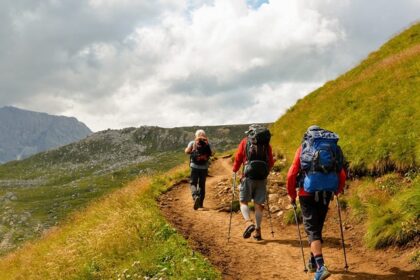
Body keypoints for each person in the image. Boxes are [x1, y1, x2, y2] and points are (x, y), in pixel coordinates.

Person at [287, 125, 346, 280]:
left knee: (312, 230)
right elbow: (341, 173)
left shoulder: (303, 148)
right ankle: (313, 262)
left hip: (307, 193)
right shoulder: (333, 148)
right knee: (317, 228)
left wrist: (292, 195)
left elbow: (292, 174)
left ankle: (320, 266)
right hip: (326, 192)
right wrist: (337, 191)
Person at [232, 124, 275, 241]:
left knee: (243, 201)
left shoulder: (245, 142)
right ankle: (257, 230)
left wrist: (235, 169)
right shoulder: (266, 145)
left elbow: (238, 157)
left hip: (247, 176)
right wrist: (265, 172)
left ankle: (248, 222)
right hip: (262, 178)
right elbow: (271, 161)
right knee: (259, 205)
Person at [185, 129, 213, 210]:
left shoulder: (193, 142)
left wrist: (190, 150)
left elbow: (186, 151)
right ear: (204, 135)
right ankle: (200, 204)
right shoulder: (207, 143)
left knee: (193, 183)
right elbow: (211, 153)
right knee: (202, 185)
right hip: (204, 167)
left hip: (194, 166)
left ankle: (195, 196)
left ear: (196, 135)